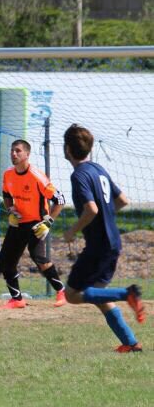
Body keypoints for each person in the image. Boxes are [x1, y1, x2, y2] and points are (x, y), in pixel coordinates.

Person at [59, 124, 145, 353]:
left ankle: (127, 293)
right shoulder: (98, 169)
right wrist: (106, 216)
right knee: (98, 294)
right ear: (89, 148)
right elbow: (123, 200)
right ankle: (131, 343)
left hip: (98, 245)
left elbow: (91, 209)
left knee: (72, 295)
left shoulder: (79, 175)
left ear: (67, 149)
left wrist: (72, 231)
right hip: (113, 241)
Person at [0, 139, 67, 309]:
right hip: (18, 223)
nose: (14, 154)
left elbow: (60, 200)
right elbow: (6, 195)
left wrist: (48, 222)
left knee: (39, 259)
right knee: (5, 261)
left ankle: (62, 291)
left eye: (18, 151)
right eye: (12, 150)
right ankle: (17, 299)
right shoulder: (8, 174)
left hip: (37, 224)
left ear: (27, 154)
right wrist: (11, 210)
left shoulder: (37, 176)